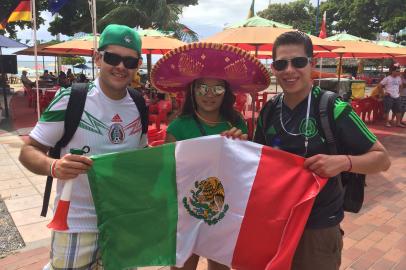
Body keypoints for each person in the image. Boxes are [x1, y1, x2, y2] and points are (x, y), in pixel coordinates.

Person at [253, 31, 391, 270]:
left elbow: (382, 159)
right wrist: (234, 141)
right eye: (280, 63)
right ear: (273, 68)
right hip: (276, 221)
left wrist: (343, 162)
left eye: (298, 62)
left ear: (311, 64)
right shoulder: (269, 110)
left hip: (318, 223)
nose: (289, 70)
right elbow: (256, 160)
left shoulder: (333, 108)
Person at [19, 24, 145, 270]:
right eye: (112, 58)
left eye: (129, 62)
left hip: (122, 221)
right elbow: (28, 151)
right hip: (75, 222)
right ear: (98, 58)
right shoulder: (71, 99)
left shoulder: (139, 105)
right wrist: (54, 166)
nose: (121, 67)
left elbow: (139, 155)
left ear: (138, 65)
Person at [151, 42, 270, 269]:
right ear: (192, 91)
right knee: (183, 265)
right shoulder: (178, 126)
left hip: (223, 209)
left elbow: (244, 171)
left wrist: (240, 146)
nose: (209, 95)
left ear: (226, 92)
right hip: (186, 211)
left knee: (220, 266)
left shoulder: (236, 123)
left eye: (217, 89)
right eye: (202, 88)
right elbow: (168, 172)